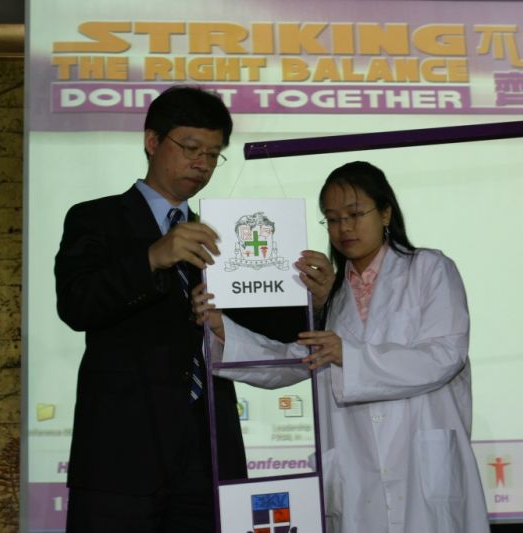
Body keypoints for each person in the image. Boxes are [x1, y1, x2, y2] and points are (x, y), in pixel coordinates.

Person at [193, 161, 490, 533]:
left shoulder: (429, 269)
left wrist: (349, 356)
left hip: (421, 464)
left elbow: (445, 356)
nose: (344, 228)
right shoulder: (332, 295)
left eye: (354, 214)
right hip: (358, 473)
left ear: (385, 213)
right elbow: (297, 360)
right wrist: (223, 329)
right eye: (332, 219)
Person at [54, 86, 246, 533]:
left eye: (213, 154)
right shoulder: (94, 218)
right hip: (120, 458)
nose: (202, 163)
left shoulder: (222, 235)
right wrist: (151, 259)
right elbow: (77, 305)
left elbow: (255, 333)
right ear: (152, 141)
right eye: (191, 148)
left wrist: (312, 297)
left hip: (208, 456)